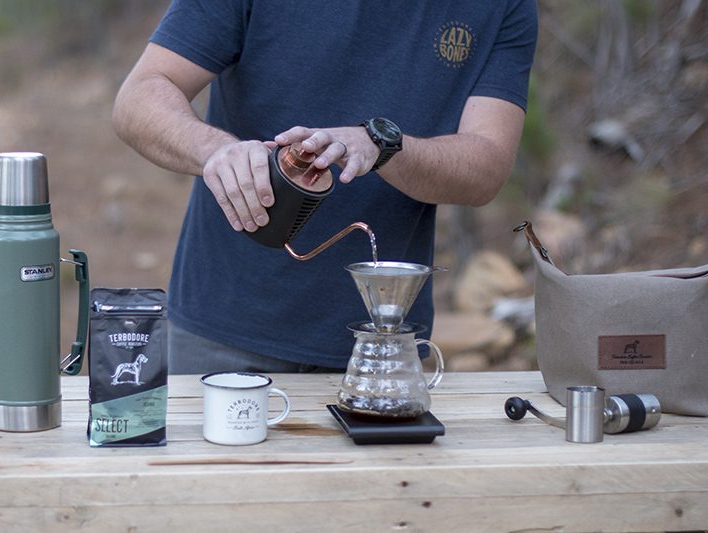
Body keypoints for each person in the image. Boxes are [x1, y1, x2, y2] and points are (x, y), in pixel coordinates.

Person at [112, 1, 538, 374]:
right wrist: (217, 151)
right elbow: (141, 96)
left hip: (380, 345)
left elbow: (486, 166)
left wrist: (381, 145)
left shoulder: (504, 6)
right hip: (222, 333)